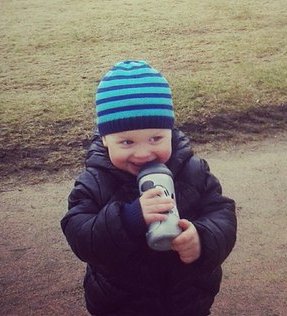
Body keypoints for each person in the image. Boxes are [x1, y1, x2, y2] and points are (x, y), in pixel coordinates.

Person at [61, 60, 237, 316]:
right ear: (105, 139)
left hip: (187, 302)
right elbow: (81, 235)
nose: (143, 153)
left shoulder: (193, 170)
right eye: (127, 142)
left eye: (156, 138)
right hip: (122, 305)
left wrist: (203, 239)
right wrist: (128, 219)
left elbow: (222, 214)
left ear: (170, 131)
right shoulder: (94, 181)